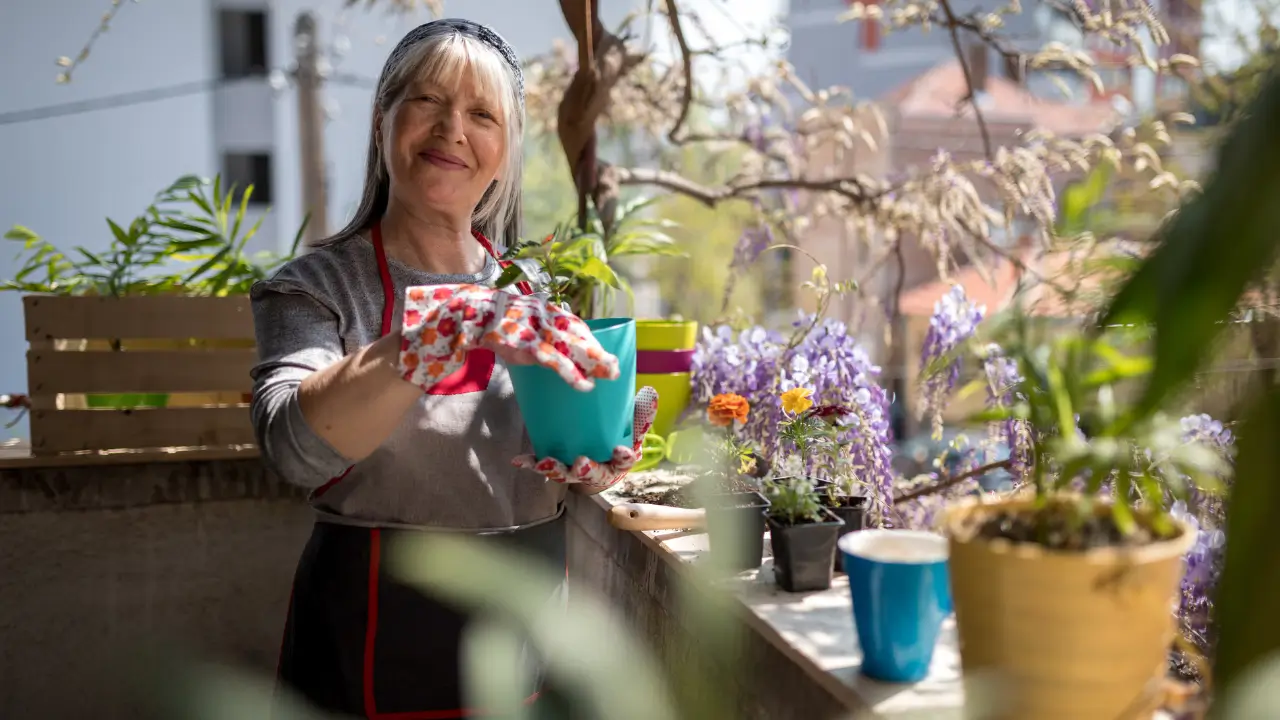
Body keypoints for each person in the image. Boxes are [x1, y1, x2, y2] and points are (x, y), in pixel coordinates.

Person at [249, 19, 657, 718]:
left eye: (482, 115)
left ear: (505, 151)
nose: (452, 130)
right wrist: (451, 326)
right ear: (382, 120)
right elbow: (293, 449)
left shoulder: (529, 294)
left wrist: (592, 457)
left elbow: (549, 459)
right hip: (372, 638)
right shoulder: (316, 289)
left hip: (523, 638)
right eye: (428, 101)